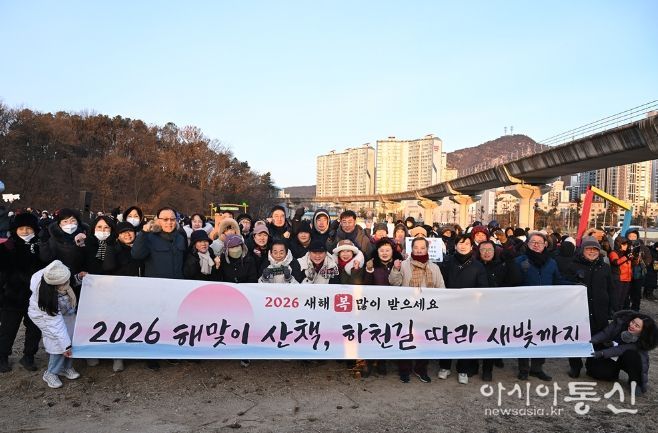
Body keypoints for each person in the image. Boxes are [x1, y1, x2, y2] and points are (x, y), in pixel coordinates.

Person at [389, 237, 445, 384]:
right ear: (411, 249)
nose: (419, 250)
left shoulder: (434, 268)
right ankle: (404, 369)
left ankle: (421, 369)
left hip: (427, 310)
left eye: (422, 248)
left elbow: (441, 288)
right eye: (416, 247)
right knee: (405, 338)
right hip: (407, 308)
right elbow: (394, 283)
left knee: (424, 340)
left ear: (427, 249)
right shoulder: (404, 265)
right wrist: (395, 269)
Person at [437, 234, 488, 384]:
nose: (463, 246)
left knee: (465, 337)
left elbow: (483, 287)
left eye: (466, 243)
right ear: (455, 246)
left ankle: (463, 369)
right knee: (446, 336)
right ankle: (445, 366)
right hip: (448, 307)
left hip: (469, 308)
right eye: (460, 243)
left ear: (472, 246)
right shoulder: (447, 263)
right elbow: (440, 283)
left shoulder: (478, 266)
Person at [514, 231, 564, 382]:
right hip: (525, 306)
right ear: (527, 244)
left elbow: (558, 281)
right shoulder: (520, 261)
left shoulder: (551, 262)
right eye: (533, 242)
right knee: (525, 336)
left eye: (539, 242)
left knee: (542, 336)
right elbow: (513, 283)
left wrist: (576, 286)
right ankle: (524, 368)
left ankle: (537, 367)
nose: (536, 245)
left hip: (545, 307)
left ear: (545, 245)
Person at [0, 212, 44, 373]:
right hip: (12, 295)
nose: (25, 231)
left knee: (34, 328)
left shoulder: (40, 246)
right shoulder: (7, 247)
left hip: (35, 296)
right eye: (21, 228)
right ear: (15, 230)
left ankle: (29, 355)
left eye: (29, 228)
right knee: (8, 328)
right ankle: (2, 355)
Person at [564, 236, 613, 379]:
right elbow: (565, 285)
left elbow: (610, 288)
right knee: (576, 339)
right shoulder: (572, 265)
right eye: (588, 249)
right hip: (578, 310)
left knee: (597, 339)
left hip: (599, 310)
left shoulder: (605, 267)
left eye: (595, 249)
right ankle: (575, 366)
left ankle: (592, 365)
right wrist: (574, 281)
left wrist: (612, 307)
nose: (592, 252)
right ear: (582, 250)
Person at [28, 260, 81, 389]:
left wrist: (78, 278)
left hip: (66, 313)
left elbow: (69, 281)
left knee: (72, 338)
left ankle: (66, 367)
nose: (67, 282)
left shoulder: (58, 272)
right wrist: (65, 346)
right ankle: (51, 372)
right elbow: (55, 325)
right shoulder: (45, 297)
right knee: (58, 344)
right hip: (46, 318)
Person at [588, 311, 658, 396]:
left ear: (643, 331)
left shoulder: (642, 341)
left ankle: (636, 382)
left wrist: (602, 353)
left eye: (637, 326)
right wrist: (591, 341)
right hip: (613, 355)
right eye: (632, 322)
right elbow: (605, 333)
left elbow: (620, 349)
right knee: (599, 373)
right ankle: (613, 372)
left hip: (630, 359)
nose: (632, 326)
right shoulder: (620, 323)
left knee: (632, 355)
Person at [39, 208, 88, 298]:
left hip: (80, 280)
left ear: (78, 222)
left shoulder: (85, 236)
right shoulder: (53, 239)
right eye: (65, 221)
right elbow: (46, 258)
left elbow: (86, 260)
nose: (69, 224)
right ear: (59, 224)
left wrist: (81, 246)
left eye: (73, 220)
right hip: (59, 282)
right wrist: (43, 243)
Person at [131, 207, 187, 279]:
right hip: (157, 283)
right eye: (165, 219)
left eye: (172, 219)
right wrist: (143, 232)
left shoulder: (181, 237)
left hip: (177, 282)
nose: (169, 222)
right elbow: (136, 255)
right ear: (158, 221)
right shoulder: (149, 237)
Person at [608, 236, 632, 313]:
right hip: (618, 278)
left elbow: (632, 265)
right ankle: (613, 313)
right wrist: (627, 257)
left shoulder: (627, 253)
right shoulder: (613, 252)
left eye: (627, 244)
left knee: (622, 298)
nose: (626, 246)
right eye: (624, 244)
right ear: (618, 244)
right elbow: (616, 262)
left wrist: (635, 257)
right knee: (616, 298)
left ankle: (619, 313)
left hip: (627, 278)